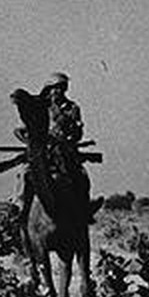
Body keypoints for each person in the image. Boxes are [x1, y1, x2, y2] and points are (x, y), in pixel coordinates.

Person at [15, 72, 97, 219]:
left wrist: (74, 133)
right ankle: (19, 207)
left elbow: (78, 134)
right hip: (43, 152)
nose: (58, 91)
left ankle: (85, 209)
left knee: (82, 175)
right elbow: (21, 130)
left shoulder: (72, 108)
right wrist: (31, 141)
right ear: (49, 89)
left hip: (65, 151)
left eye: (61, 88)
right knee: (26, 173)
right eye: (55, 88)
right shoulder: (41, 107)